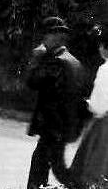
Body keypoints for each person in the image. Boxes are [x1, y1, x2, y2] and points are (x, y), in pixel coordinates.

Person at [26, 16, 87, 189]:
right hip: (61, 127)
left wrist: (36, 58)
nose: (44, 39)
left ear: (55, 37)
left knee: (53, 168)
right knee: (48, 166)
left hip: (52, 128)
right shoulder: (73, 61)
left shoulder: (56, 62)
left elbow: (33, 81)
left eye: (46, 35)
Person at [71, 26, 108, 184]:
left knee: (93, 167)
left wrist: (90, 105)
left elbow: (99, 102)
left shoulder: (105, 69)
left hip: (103, 122)